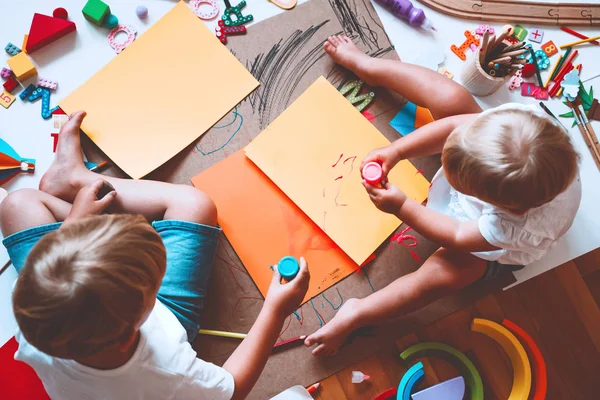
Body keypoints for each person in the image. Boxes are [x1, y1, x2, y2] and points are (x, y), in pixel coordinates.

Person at [1, 111, 310, 400]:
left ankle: (71, 182)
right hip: (166, 318)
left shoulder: (34, 309)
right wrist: (275, 310)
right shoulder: (167, 367)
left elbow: (55, 272)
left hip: (98, 311)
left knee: (17, 205)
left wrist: (74, 224)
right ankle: (78, 182)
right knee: (194, 205)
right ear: (132, 328)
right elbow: (233, 387)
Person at [304, 35, 581, 356]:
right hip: (500, 171)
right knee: (451, 96)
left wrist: (403, 206)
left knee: (449, 275)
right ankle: (369, 66)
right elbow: (452, 126)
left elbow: (457, 235)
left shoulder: (510, 226)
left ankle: (358, 313)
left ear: (495, 202)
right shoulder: (519, 124)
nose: (445, 172)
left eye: (458, 179)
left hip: (480, 243)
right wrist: (396, 150)